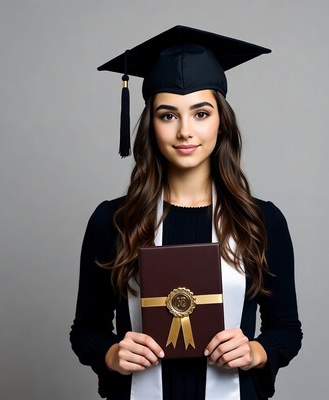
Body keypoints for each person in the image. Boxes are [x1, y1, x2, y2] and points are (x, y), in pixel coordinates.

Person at [70, 25, 302, 400]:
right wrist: (111, 354)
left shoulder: (260, 221)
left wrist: (255, 351)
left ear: (221, 121)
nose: (184, 131)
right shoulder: (114, 221)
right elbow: (86, 330)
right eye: (167, 115)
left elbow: (286, 329)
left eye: (200, 113)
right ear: (150, 124)